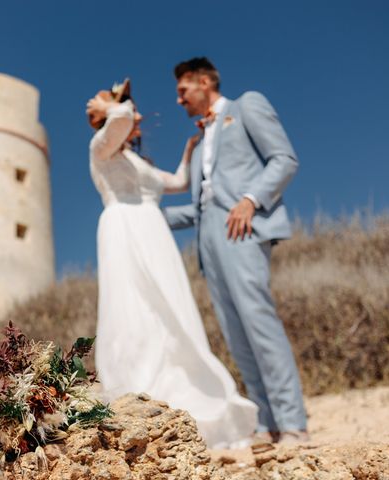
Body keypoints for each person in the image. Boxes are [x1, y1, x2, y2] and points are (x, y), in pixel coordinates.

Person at [86, 79, 257, 449]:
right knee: (132, 307)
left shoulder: (135, 159)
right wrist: (111, 105)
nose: (139, 119)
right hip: (123, 228)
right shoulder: (101, 148)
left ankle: (185, 389)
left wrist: (190, 148)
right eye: (131, 112)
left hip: (154, 231)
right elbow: (119, 121)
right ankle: (134, 390)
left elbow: (178, 182)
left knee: (170, 309)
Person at [163, 57, 308, 444]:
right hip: (208, 241)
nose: (179, 100)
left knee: (258, 320)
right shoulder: (195, 142)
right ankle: (267, 422)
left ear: (205, 81)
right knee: (235, 332)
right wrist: (141, 217)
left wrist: (251, 199)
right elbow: (198, 207)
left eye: (183, 91)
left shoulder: (246, 106)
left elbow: (284, 159)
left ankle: (293, 420)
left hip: (242, 226)